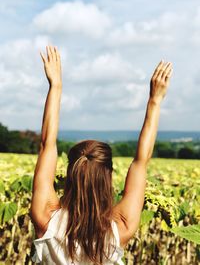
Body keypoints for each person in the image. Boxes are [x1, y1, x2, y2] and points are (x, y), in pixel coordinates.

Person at [30, 45, 173, 265]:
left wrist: (55, 86)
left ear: (70, 172)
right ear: (108, 177)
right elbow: (141, 161)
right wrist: (155, 101)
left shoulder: (46, 218)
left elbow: (47, 144)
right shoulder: (120, 227)